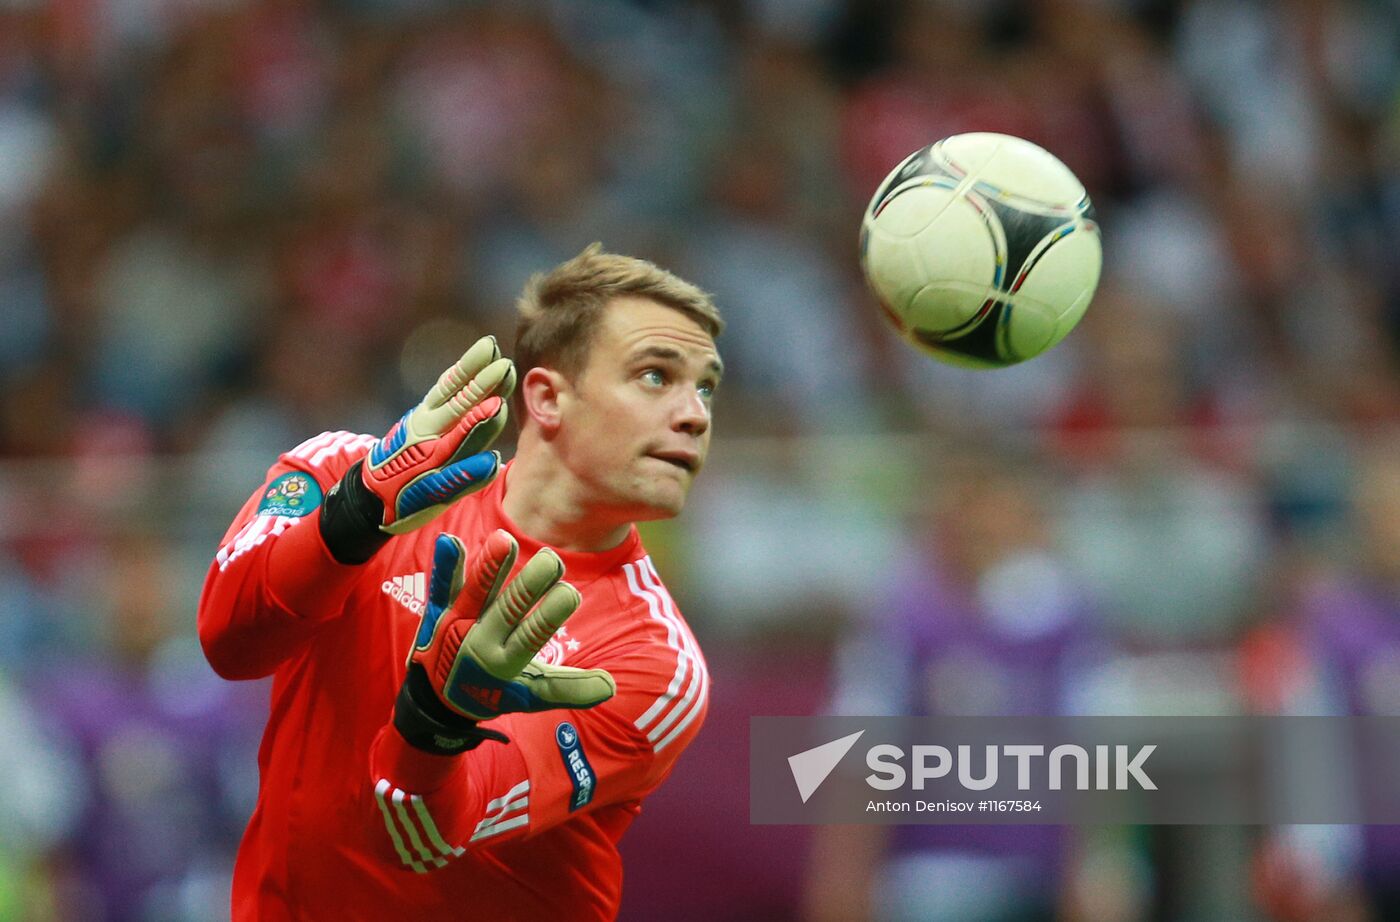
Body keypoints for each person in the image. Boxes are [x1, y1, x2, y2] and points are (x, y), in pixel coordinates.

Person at [197, 244, 724, 920]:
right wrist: (351, 518)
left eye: (705, 387)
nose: (695, 415)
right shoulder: (345, 471)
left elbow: (423, 835)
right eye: (656, 376)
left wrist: (441, 715)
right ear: (548, 397)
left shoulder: (657, 663)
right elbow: (230, 644)